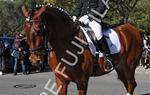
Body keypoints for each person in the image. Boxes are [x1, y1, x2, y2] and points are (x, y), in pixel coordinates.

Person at [72, 0, 113, 71]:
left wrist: (88, 16)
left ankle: (108, 58)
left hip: (94, 19)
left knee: (98, 35)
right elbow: (79, 7)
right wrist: (75, 15)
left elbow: (101, 7)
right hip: (81, 20)